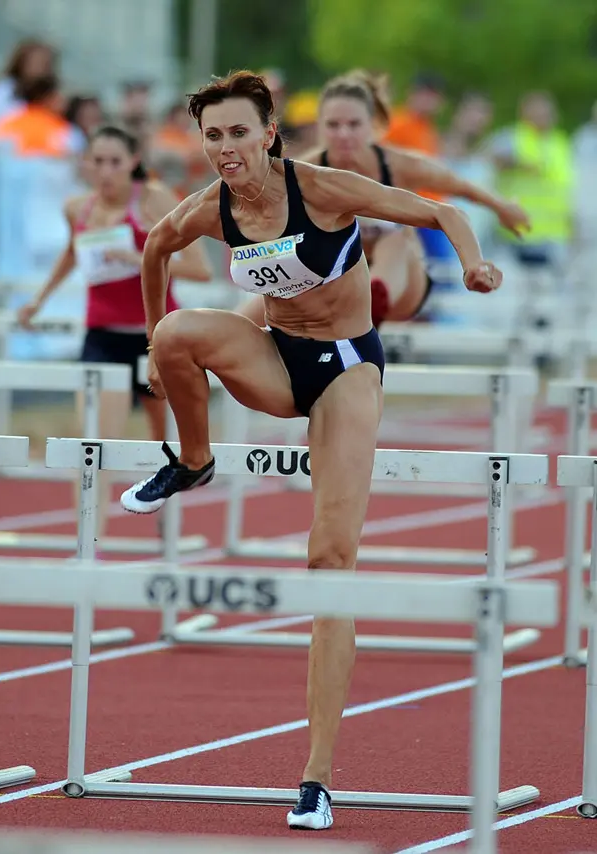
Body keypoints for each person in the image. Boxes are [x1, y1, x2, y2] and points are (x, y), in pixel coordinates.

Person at [118, 70, 501, 829]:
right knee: (173, 336)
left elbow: (442, 210)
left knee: (329, 560)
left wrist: (473, 263)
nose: (225, 148)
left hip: (347, 370)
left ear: (268, 134)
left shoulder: (323, 188)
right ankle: (193, 460)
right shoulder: (207, 208)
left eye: (238, 133)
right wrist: (149, 349)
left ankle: (316, 778)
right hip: (276, 358)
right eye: (212, 136)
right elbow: (155, 251)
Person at [17, 126, 212, 543]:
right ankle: (89, 543)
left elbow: (200, 268)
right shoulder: (76, 208)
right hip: (102, 335)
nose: (105, 171)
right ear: (86, 164)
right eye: (97, 161)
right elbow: (73, 253)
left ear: (133, 161)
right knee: (92, 443)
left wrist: (140, 257)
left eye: (115, 162)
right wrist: (39, 300)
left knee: (167, 446)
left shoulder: (155, 199)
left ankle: (166, 530)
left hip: (158, 337)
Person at [237, 70, 529, 329]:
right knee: (251, 313)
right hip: (334, 277)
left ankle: (373, 301)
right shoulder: (304, 171)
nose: (343, 134)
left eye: (353, 125)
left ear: (373, 127)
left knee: (395, 241)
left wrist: (500, 212)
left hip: (402, 281)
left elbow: (459, 188)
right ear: (320, 127)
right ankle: (221, 344)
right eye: (333, 125)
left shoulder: (398, 164)